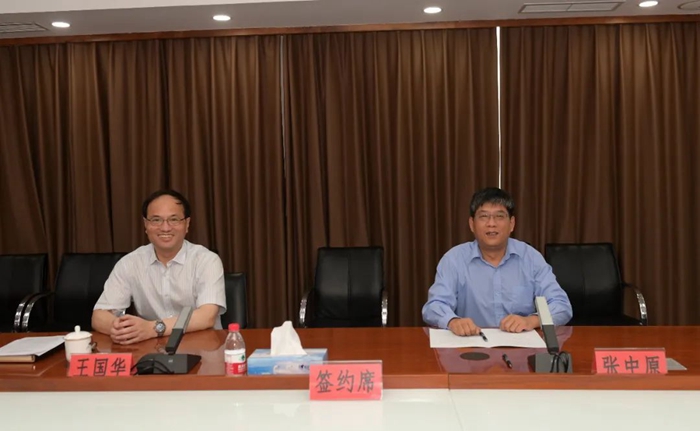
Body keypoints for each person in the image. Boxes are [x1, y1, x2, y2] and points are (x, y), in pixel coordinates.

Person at [422, 187, 572, 336]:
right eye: (484, 216)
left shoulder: (531, 258)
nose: (491, 223)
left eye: (499, 216)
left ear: (512, 224)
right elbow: (434, 306)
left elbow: (561, 305)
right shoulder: (454, 259)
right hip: (471, 344)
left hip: (520, 345)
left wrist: (532, 320)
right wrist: (452, 321)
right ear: (472, 224)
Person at [92, 189, 226, 345]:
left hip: (202, 347)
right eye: (156, 220)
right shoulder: (129, 263)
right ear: (146, 224)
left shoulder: (207, 260)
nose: (165, 228)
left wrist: (153, 328)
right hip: (150, 349)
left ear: (187, 224)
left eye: (174, 219)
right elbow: (99, 316)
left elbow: (207, 316)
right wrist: (121, 329)